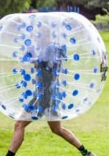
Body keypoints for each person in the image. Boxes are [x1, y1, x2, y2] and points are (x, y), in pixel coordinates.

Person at [6, 28, 96, 156]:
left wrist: (32, 58)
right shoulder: (52, 49)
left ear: (46, 36)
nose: (36, 38)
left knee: (19, 124)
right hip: (51, 94)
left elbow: (45, 64)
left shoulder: (50, 48)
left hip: (44, 95)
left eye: (39, 35)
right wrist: (32, 58)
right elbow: (45, 64)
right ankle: (86, 153)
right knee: (57, 129)